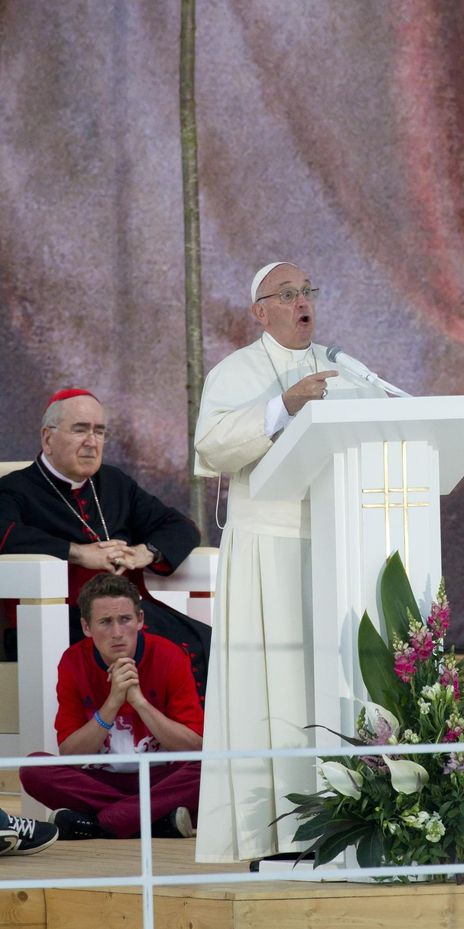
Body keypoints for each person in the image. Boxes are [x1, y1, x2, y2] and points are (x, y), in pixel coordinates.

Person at [194, 261, 387, 862]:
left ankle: (354, 822)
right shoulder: (236, 372)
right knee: (274, 689)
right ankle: (275, 831)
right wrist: (283, 405)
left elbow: (385, 422)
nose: (302, 301)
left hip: (340, 542)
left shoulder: (343, 366)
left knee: (333, 681)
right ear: (260, 312)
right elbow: (212, 446)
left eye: (307, 290)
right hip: (268, 546)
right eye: (287, 294)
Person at [0, 387, 210, 701]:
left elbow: (181, 527)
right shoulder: (15, 489)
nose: (91, 441)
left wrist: (145, 552)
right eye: (80, 430)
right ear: (47, 438)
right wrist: (77, 553)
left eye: (99, 432)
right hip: (60, 621)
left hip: (132, 613)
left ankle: (192, 734)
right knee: (152, 647)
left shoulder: (115, 483)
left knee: (207, 642)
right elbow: (5, 532)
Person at [19, 573, 203, 840]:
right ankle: (155, 819)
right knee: (33, 769)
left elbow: (194, 746)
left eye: (125, 619)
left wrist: (140, 703)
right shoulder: (73, 661)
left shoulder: (169, 655)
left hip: (161, 778)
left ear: (140, 620)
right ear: (86, 627)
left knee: (214, 767)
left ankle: (102, 822)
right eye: (105, 622)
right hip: (101, 782)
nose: (117, 633)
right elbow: (71, 754)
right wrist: (112, 703)